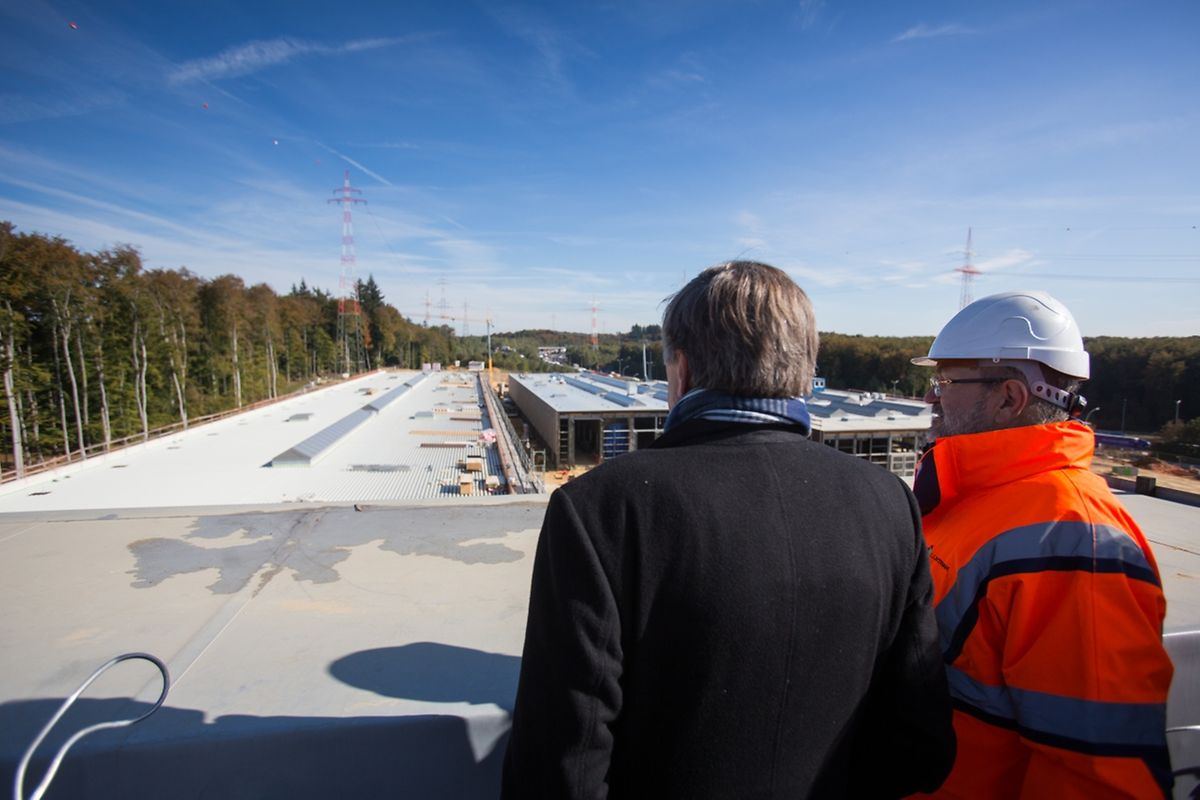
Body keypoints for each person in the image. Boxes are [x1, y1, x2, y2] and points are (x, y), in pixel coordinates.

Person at [502, 261, 955, 798]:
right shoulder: (889, 505)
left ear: (682, 370)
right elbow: (921, 751)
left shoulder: (599, 509)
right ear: (805, 371)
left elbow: (560, 771)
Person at [910, 290, 1174, 798]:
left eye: (944, 381)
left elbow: (1099, 779)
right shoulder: (969, 501)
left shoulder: (1075, 538)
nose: (930, 397)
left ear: (1010, 397)